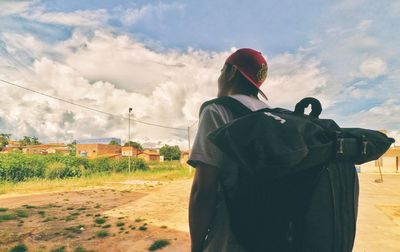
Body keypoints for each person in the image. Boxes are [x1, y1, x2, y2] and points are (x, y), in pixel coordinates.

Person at [188, 48, 269, 252]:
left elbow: (203, 191)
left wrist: (196, 246)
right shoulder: (271, 115)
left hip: (230, 237)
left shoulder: (217, 111)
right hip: (270, 232)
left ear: (231, 72)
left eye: (221, 71)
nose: (219, 77)